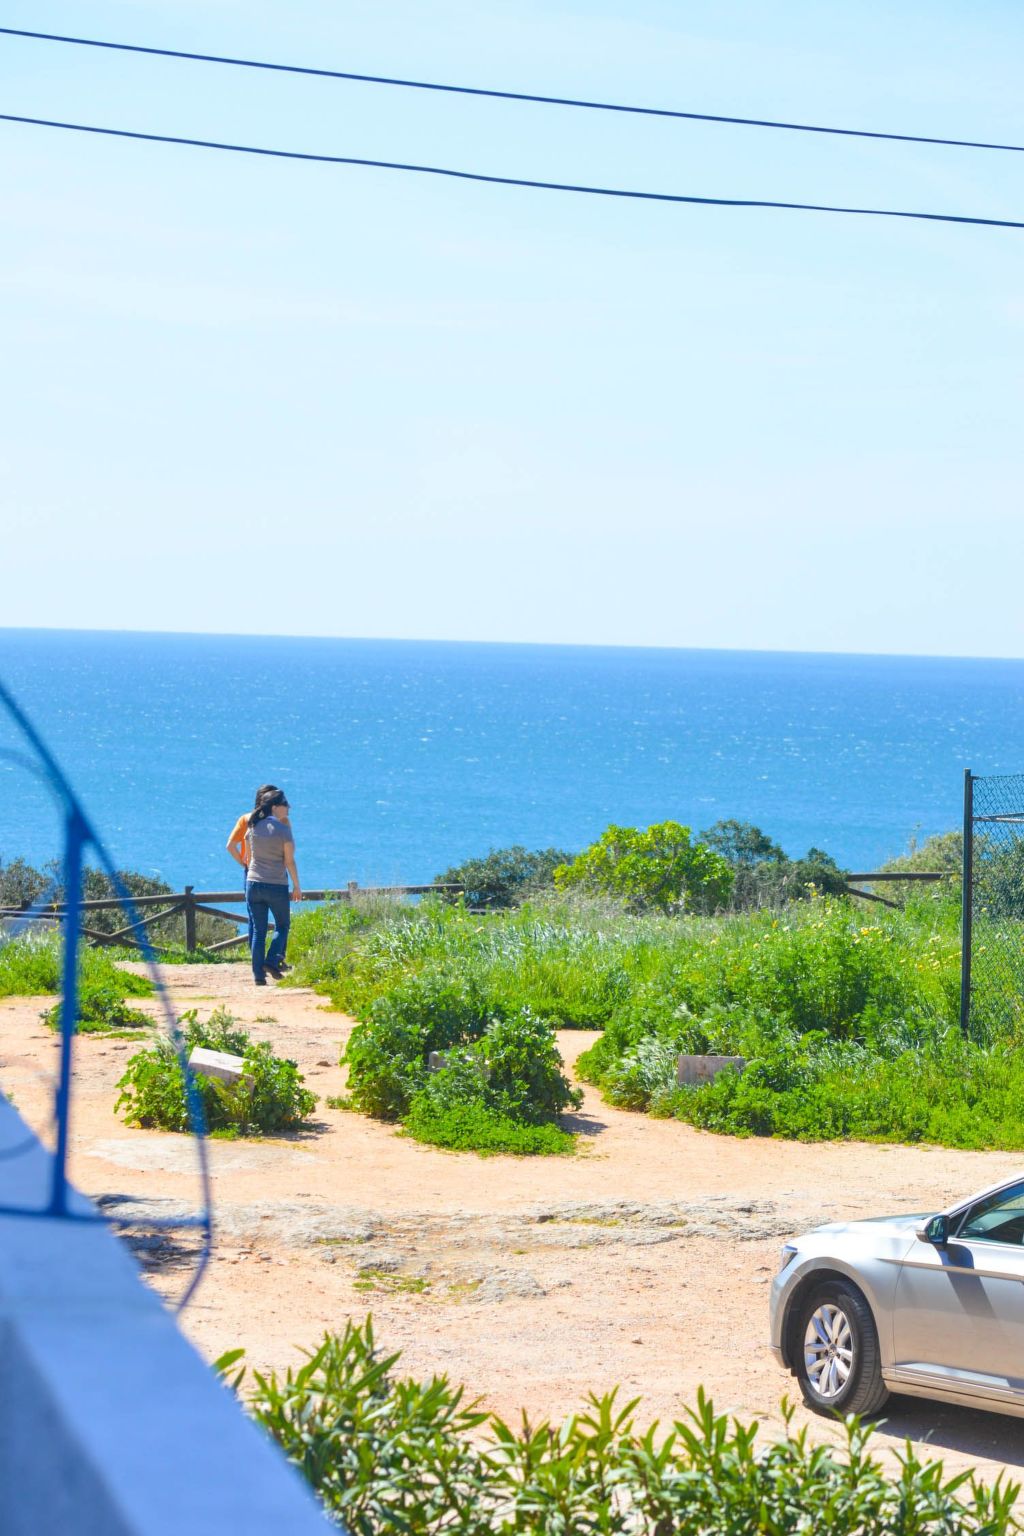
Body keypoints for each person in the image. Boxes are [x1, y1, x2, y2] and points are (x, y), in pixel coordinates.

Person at [245, 789, 302, 985]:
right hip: (276, 884)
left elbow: (249, 857)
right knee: (282, 925)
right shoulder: (282, 829)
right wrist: (296, 885)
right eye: (286, 805)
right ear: (275, 807)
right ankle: (271, 961)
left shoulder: (253, 825)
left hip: (253, 883)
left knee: (258, 931)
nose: (289, 808)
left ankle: (258, 977)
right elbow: (289, 861)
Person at [226, 784, 280, 953]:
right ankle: (275, 957)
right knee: (281, 919)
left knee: (255, 919)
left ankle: (256, 959)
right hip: (273, 872)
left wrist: (244, 863)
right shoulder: (277, 822)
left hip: (252, 872)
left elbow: (230, 846)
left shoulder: (246, 819)